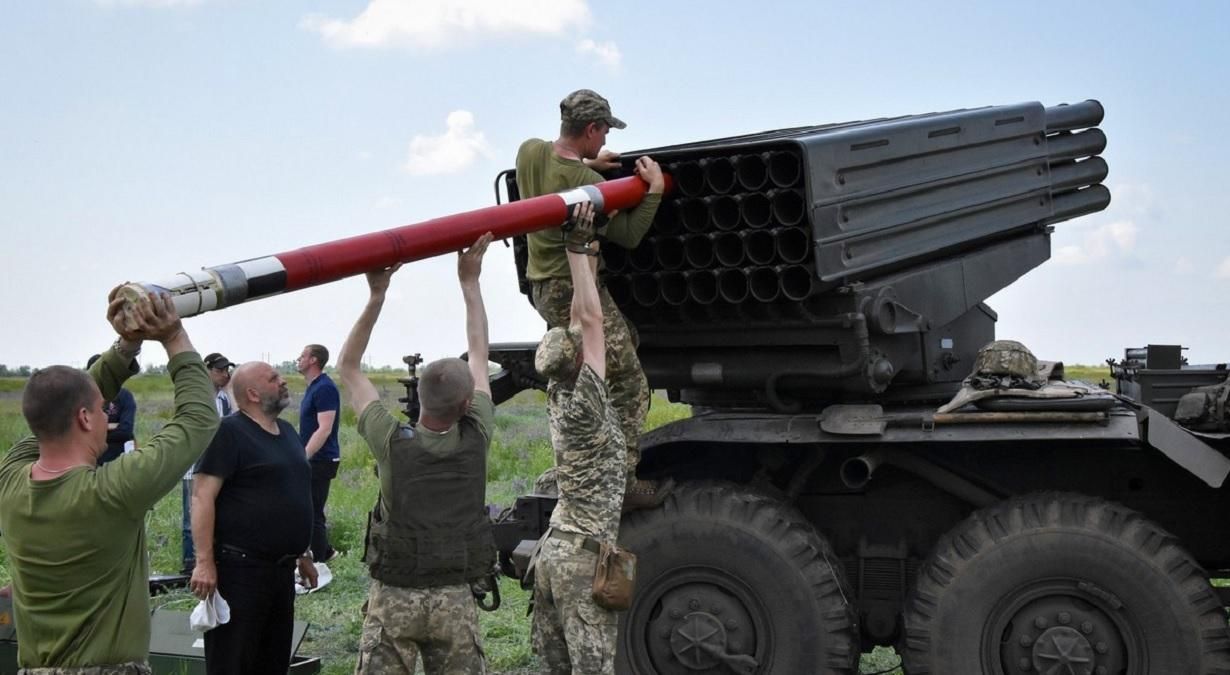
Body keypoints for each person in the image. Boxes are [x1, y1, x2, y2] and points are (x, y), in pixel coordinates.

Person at [0, 288, 218, 673]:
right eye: (102, 409)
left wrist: (126, 345)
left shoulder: (10, 481)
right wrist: (173, 336)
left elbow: (62, 403)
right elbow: (198, 418)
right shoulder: (112, 491)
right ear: (85, 418)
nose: (106, 416)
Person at [337, 233, 498, 675]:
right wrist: (470, 281)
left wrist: (376, 295)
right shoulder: (478, 434)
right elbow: (479, 352)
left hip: (395, 597)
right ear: (466, 405)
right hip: (455, 597)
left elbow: (348, 366)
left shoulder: (390, 442)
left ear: (419, 396)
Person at [515, 88, 669, 510]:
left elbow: (557, 167)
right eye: (603, 133)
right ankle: (623, 480)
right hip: (575, 287)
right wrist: (654, 191)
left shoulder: (528, 153)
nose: (605, 142)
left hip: (541, 286)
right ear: (591, 129)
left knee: (600, 358)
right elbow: (629, 235)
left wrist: (586, 163)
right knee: (629, 383)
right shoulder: (588, 186)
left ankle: (574, 464)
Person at [530, 202, 627, 673]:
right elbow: (591, 322)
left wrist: (582, 255)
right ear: (577, 361)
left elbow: (577, 320)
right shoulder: (587, 403)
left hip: (554, 555)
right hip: (581, 563)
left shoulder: (558, 391)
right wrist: (577, 246)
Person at [190, 360, 318, 675]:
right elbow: (202, 496)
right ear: (253, 394)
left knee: (273, 663)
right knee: (234, 662)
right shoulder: (229, 432)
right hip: (241, 572)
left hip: (281, 572)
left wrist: (303, 553)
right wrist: (204, 562)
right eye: (273, 378)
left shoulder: (287, 432)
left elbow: (293, 494)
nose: (283, 380)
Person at [297, 342, 341, 562]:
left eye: (302, 356)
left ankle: (319, 561)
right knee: (308, 510)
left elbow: (324, 428)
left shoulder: (325, 388)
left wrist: (304, 457)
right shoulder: (314, 386)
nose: (298, 359)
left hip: (321, 459)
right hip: (313, 458)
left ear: (313, 360)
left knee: (313, 513)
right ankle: (324, 551)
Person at [86, 353, 137, 466]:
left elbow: (125, 431)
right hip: (92, 463)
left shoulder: (125, 396)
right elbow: (79, 434)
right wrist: (111, 426)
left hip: (120, 462)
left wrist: (96, 431)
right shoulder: (83, 399)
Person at [204, 352, 235, 416]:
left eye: (226, 370)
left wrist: (229, 391)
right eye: (220, 370)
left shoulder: (227, 398)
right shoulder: (196, 394)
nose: (225, 375)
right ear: (207, 370)